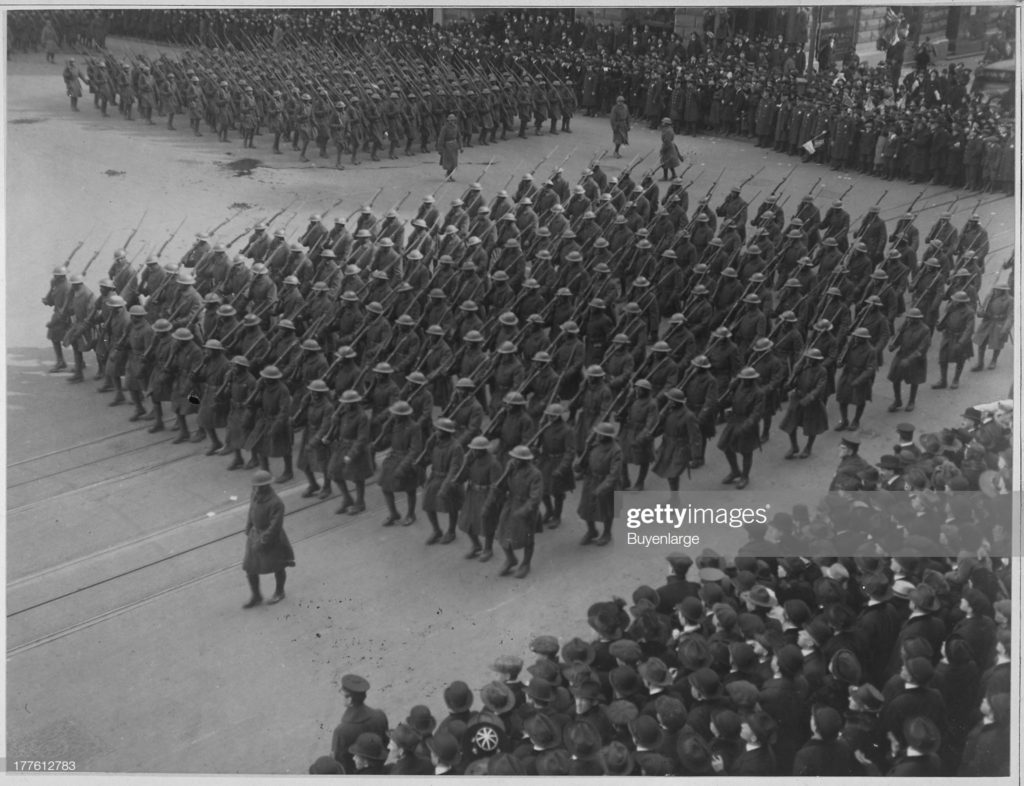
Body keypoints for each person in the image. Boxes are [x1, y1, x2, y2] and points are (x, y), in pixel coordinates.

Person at [241, 469, 294, 608]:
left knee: (279, 566)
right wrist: (248, 527)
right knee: (250, 567)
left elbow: (275, 526)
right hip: (255, 534)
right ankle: (256, 595)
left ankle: (279, 591)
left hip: (272, 539)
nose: (255, 489)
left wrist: (262, 541)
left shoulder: (276, 503)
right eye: (255, 486)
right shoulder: (254, 495)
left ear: (266, 487)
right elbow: (251, 510)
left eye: (258, 486)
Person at [491, 444, 543, 578]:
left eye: (517, 458)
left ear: (525, 460)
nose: (514, 460)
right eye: (513, 457)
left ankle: (526, 563)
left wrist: (524, 510)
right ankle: (510, 559)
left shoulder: (535, 474)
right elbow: (503, 486)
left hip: (526, 508)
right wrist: (505, 474)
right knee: (502, 532)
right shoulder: (511, 467)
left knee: (527, 538)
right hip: (511, 504)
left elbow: (535, 498)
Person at [574, 421, 623, 546]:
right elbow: (583, 463)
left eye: (600, 434)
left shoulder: (615, 450)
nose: (598, 436)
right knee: (586, 508)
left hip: (606, 483)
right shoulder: (594, 445)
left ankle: (607, 533)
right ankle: (591, 531)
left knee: (607, 511)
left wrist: (603, 487)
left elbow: (614, 474)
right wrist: (586, 450)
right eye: (597, 434)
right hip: (591, 479)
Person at [331, 674, 390, 772]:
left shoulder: (341, 731)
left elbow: (338, 761)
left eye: (343, 694)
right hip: (378, 769)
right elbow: (385, 746)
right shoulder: (380, 715)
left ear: (350, 699)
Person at [437, 113, 461, 180]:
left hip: (454, 146)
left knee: (454, 162)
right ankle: (448, 175)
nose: (452, 122)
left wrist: (461, 147)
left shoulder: (456, 127)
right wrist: (440, 149)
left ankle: (450, 175)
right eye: (451, 120)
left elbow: (459, 137)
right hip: (447, 147)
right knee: (448, 162)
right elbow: (441, 139)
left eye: (453, 120)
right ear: (448, 121)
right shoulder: (444, 128)